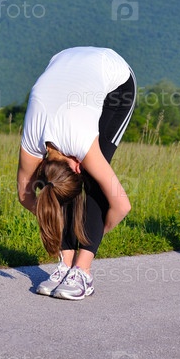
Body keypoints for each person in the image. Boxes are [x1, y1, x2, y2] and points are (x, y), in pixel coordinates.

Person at [16, 46, 136, 300]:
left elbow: (121, 206)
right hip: (66, 63)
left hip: (116, 85)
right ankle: (65, 263)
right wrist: (51, 214)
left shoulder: (82, 144)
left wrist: (89, 238)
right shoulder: (32, 145)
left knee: (94, 182)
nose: (80, 166)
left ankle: (82, 270)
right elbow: (26, 196)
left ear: (73, 165)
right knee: (55, 191)